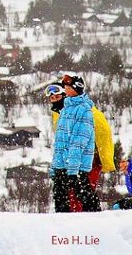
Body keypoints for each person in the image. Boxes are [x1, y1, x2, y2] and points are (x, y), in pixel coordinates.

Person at [48, 76, 114, 211]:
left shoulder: (84, 110)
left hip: (85, 158)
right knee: (62, 193)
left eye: (57, 96)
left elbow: (84, 138)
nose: (54, 100)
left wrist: (102, 159)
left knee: (79, 192)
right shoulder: (63, 111)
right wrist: (57, 164)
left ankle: (87, 216)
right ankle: (66, 217)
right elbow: (61, 142)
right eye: (51, 98)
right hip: (67, 159)